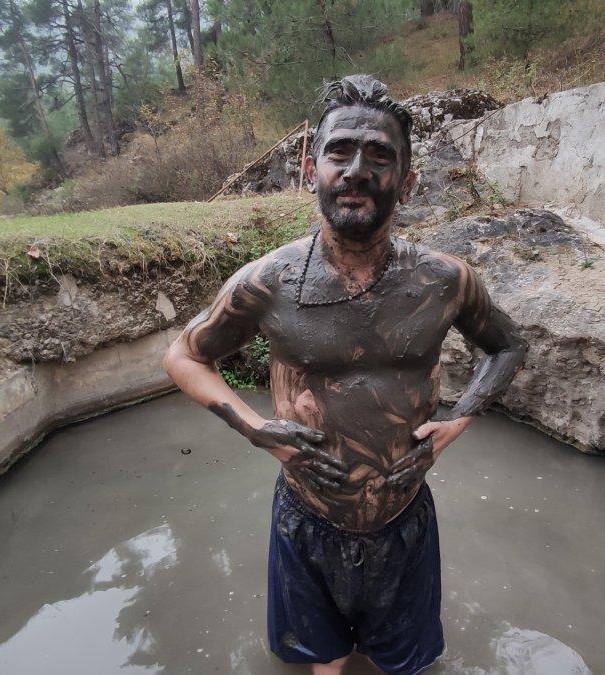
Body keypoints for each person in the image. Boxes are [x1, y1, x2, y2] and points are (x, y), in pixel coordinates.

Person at [162, 74, 528, 675]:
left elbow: (508, 347)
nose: (357, 169)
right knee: (322, 666)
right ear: (312, 170)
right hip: (307, 517)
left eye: (379, 156)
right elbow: (184, 356)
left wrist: (457, 421)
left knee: (402, 664)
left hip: (404, 518)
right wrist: (257, 429)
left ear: (406, 183)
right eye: (340, 152)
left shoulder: (445, 281)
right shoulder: (268, 282)